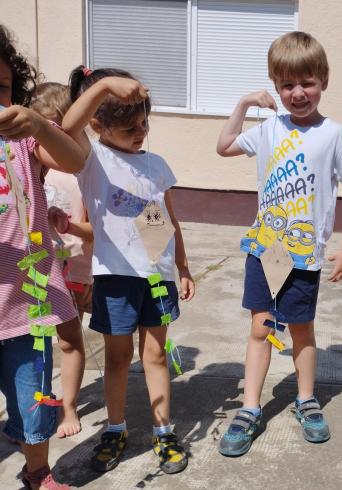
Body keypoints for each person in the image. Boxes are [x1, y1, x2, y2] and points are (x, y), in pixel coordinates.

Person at [216, 31, 342, 456]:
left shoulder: (334, 134)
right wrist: (244, 104)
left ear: (324, 81)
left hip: (304, 255)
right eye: (287, 85)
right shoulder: (268, 129)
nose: (298, 93)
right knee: (261, 328)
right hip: (265, 250)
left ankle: (306, 399)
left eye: (307, 83)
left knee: (301, 329)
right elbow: (223, 146)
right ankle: (250, 408)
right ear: (276, 87)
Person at [62, 66, 195, 474]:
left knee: (155, 355)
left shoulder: (156, 164)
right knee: (118, 358)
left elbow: (168, 221)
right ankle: (115, 428)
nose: (141, 132)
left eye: (144, 123)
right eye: (129, 127)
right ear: (99, 125)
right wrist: (103, 86)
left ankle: (163, 431)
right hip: (115, 278)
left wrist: (183, 266)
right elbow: (67, 127)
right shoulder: (92, 159)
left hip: (157, 277)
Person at [0, 24, 86, 490]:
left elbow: (74, 160)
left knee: (33, 396)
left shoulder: (23, 139)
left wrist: (37, 124)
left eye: (2, 87)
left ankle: (38, 472)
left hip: (27, 305)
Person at [31, 81, 90, 439]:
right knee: (36, 342)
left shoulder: (83, 169)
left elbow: (90, 229)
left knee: (70, 340)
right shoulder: (31, 165)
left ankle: (69, 405)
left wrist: (85, 276)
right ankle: (36, 408)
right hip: (35, 270)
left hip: (74, 269)